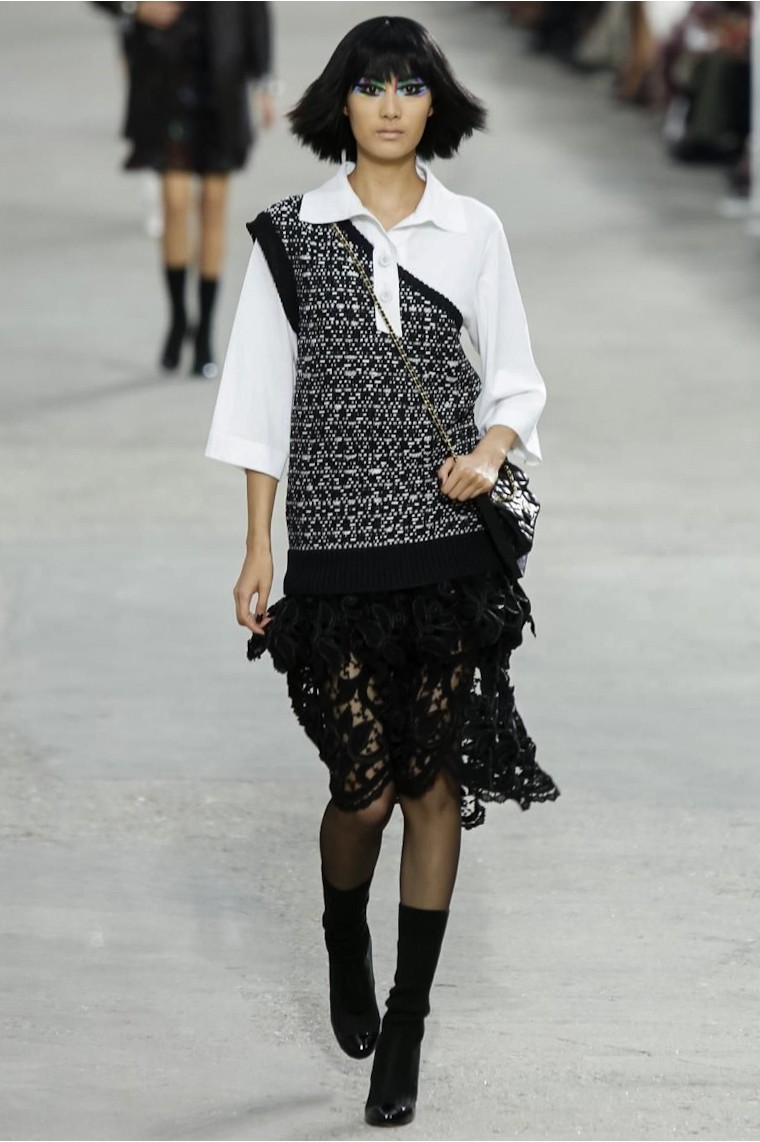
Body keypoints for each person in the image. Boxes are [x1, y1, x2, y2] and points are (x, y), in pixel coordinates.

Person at [205, 15, 559, 1128]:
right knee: (360, 790)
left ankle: (407, 1020)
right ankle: (340, 931)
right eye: (372, 86)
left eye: (410, 85)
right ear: (342, 105)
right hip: (336, 549)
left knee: (429, 782)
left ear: (433, 102)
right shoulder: (290, 234)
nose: (392, 103)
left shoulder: (473, 229)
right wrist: (259, 544)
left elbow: (515, 376)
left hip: (443, 545)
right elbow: (258, 401)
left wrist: (489, 452)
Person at [97, 1, 275, 377]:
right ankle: (179, 318)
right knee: (175, 202)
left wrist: (264, 79)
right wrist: (134, 6)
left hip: (221, 75)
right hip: (164, 71)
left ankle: (206, 330)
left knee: (214, 203)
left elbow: (256, 8)